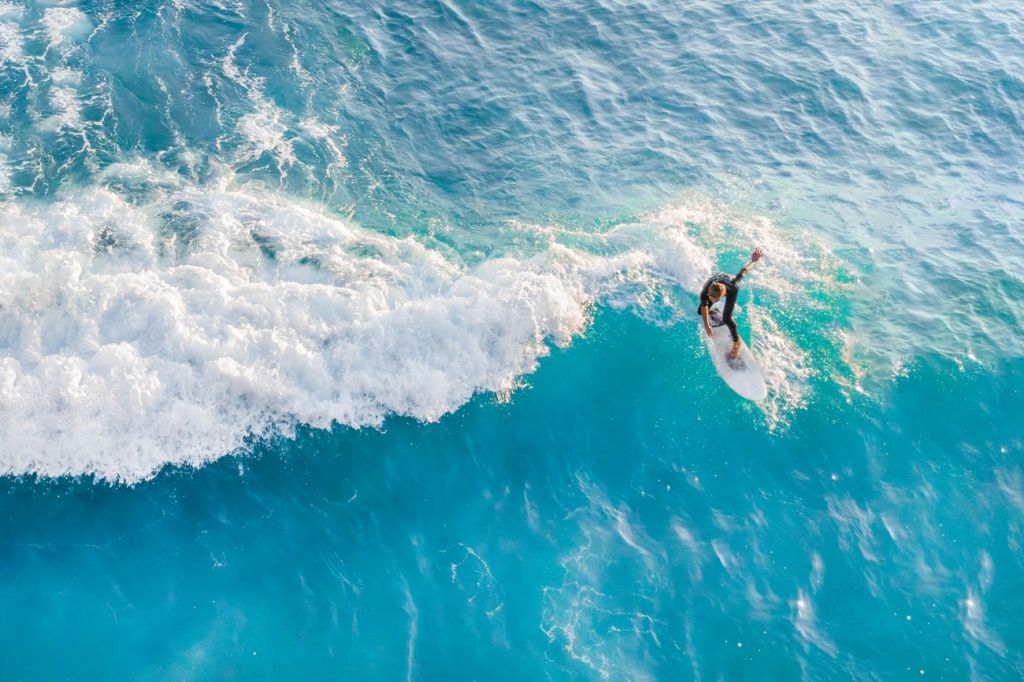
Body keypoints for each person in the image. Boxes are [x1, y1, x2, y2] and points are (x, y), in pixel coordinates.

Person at [698, 247, 763, 360]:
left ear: (720, 298)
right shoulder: (706, 291)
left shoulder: (733, 285)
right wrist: (707, 325)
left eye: (715, 300)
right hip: (716, 280)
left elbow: (744, 271)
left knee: (727, 319)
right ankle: (713, 311)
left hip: (731, 285)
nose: (711, 301)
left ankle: (736, 342)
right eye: (710, 298)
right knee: (701, 311)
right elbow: (704, 306)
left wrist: (753, 261)